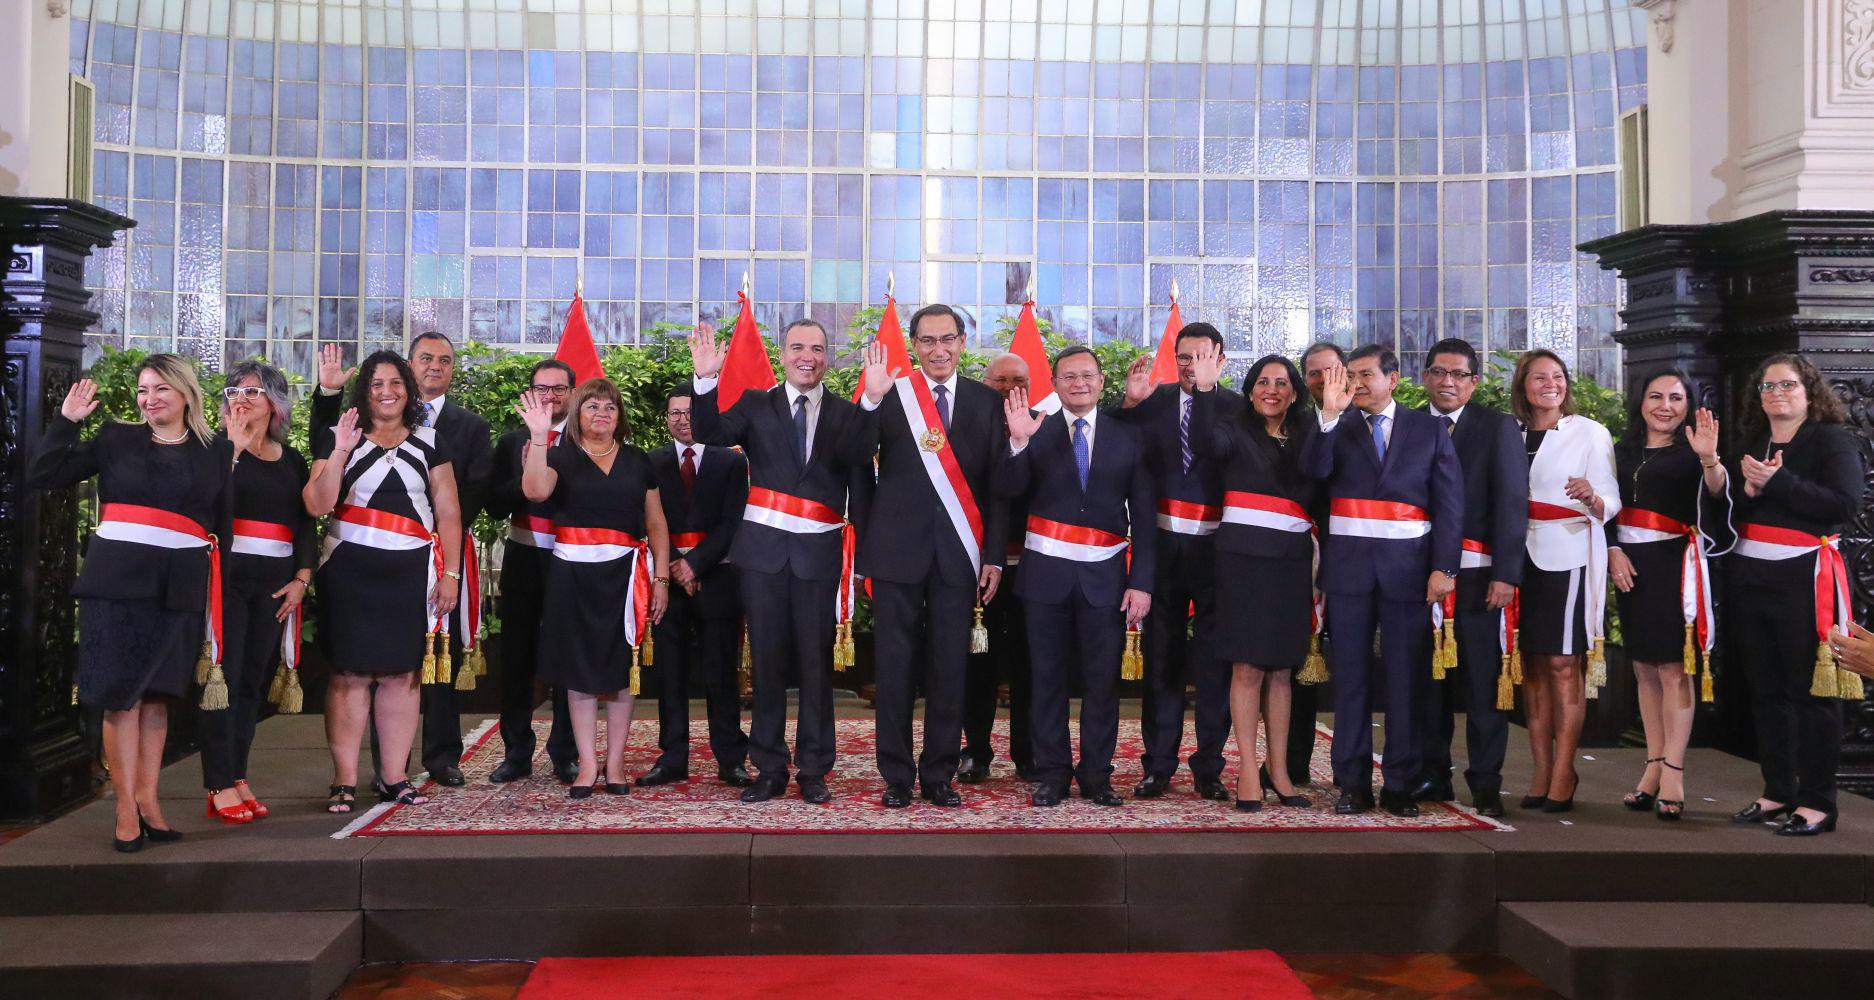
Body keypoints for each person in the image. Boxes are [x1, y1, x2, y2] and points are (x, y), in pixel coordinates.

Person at [29, 355, 227, 851]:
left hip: (179, 586)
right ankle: (123, 809)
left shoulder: (215, 450)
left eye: (161, 388)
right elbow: (44, 473)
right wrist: (66, 422)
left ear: (186, 394)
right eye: (143, 390)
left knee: (158, 697)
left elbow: (220, 521)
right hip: (117, 586)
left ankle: (149, 802)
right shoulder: (117, 438)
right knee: (123, 697)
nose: (150, 398)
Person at [687, 318, 874, 805]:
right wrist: (705, 380)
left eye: (816, 347)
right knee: (767, 666)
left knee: (816, 667)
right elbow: (709, 432)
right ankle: (769, 767)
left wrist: (873, 402)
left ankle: (814, 768)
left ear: (827, 356)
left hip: (818, 556)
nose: (806, 355)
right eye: (797, 347)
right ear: (783, 353)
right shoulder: (755, 404)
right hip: (763, 558)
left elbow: (862, 458)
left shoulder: (847, 413)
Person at [313, 335, 492, 787]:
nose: (387, 391)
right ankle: (345, 780)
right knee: (349, 677)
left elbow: (449, 510)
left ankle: (395, 778)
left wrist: (451, 574)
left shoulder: (432, 442)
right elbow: (317, 503)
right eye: (376, 384)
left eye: (395, 382)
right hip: (348, 573)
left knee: (402, 676)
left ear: (409, 390)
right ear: (364, 391)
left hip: (411, 576)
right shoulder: (338, 437)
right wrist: (338, 450)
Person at [849, 304, 1008, 807]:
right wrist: (869, 402)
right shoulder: (889, 396)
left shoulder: (987, 403)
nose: (938, 350)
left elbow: (998, 488)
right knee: (894, 668)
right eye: (927, 341)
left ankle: (939, 772)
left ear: (963, 342)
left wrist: (995, 556)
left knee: (949, 668)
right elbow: (853, 459)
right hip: (896, 554)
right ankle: (896, 775)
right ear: (914, 346)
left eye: (947, 339)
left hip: (960, 555)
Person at [1302, 344, 1462, 817]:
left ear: (1393, 379)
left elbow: (1450, 504)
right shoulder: (1334, 424)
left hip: (1410, 572)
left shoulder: (1429, 428)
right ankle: (1351, 783)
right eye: (1349, 375)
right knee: (1350, 680)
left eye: (1366, 375)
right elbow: (1313, 475)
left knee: (1404, 681)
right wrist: (1328, 419)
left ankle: (1399, 783)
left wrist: (1445, 567)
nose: (1356, 383)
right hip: (1349, 572)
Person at [1000, 346, 1156, 808]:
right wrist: (1017, 444)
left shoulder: (1128, 437)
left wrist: (1142, 580)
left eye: (1087, 375)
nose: (1079, 383)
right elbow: (1007, 493)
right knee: (1046, 681)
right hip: (1045, 578)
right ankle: (1051, 774)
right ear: (1055, 382)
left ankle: (1096, 775)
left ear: (1101, 380)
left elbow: (1144, 517)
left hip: (1106, 580)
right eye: (1068, 377)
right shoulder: (1035, 428)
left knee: (1101, 682)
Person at [1725, 353, 1864, 836]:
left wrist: (1778, 482)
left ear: (1809, 392)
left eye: (1787, 386)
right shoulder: (1752, 442)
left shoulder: (1830, 440)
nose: (1777, 394)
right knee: (1765, 691)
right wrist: (1745, 489)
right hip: (1750, 575)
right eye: (1768, 387)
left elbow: (1845, 505)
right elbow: (1733, 509)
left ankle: (1818, 802)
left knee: (1812, 690)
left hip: (1804, 575)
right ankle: (1778, 790)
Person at [520, 378, 670, 798]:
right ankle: (587, 765)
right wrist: (536, 437)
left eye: (609, 407)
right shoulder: (558, 456)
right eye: (592, 407)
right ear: (576, 415)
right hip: (572, 575)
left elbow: (656, 524)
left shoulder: (639, 460)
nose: (601, 414)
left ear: (619, 416)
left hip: (625, 577)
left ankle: (616, 763)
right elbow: (534, 492)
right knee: (579, 673)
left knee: (622, 672)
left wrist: (661, 580)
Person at [1114, 323, 1239, 802]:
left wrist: (1206, 392)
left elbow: (1218, 448)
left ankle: (1209, 766)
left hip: (1217, 552)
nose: (1190, 366)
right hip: (1161, 549)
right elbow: (1110, 445)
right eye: (1183, 357)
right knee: (1161, 665)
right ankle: (1157, 764)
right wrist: (1129, 404)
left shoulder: (1237, 406)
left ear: (1220, 359)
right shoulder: (1155, 401)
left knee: (1214, 667)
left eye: (1201, 357)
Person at [1189, 351, 1315, 811]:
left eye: (1281, 383)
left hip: (1290, 564)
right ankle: (1245, 769)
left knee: (1281, 669)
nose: (1271, 390)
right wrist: (1204, 391)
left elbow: (1321, 471)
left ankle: (1278, 771)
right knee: (1246, 667)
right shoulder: (1232, 427)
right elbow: (1206, 444)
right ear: (1249, 390)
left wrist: (1334, 415)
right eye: (1262, 381)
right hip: (1242, 563)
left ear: (1294, 392)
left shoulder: (1307, 433)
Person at [1411, 339, 1526, 818]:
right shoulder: (1411, 426)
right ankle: (1433, 775)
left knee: (1483, 688)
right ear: (1425, 378)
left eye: (1458, 374)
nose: (1447, 382)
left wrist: (1506, 574)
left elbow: (1512, 503)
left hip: (1481, 581)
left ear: (1474, 382)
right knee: (1428, 686)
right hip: (1419, 580)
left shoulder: (1496, 427)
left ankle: (1485, 783)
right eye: (1438, 372)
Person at [1607, 370, 1729, 821]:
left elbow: (1717, 497)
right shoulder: (1619, 450)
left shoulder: (1695, 451)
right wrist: (1612, 549)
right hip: (1629, 568)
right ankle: (1652, 766)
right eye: (1655, 396)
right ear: (1640, 402)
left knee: (1674, 669)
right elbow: (1606, 506)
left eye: (1675, 398)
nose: (1665, 405)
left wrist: (1711, 461)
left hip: (1674, 566)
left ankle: (1674, 769)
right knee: (1644, 669)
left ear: (1688, 404)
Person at [203, 360, 315, 825]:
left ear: (276, 403)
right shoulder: (213, 451)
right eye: (234, 392)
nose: (241, 400)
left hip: (274, 588)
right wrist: (231, 451)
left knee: (251, 682)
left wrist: (301, 578)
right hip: (225, 581)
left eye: (252, 392)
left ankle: (238, 772)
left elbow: (304, 522)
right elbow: (208, 506)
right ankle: (218, 782)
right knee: (220, 683)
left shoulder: (291, 460)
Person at [1513, 349, 1620, 814]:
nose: (1549, 384)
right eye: (1539, 378)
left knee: (1561, 664)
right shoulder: (1509, 432)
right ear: (1523, 386)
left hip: (1567, 552)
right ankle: (1540, 768)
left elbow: (1611, 498)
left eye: (1557, 377)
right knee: (1531, 667)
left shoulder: (1589, 433)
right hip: (1517, 558)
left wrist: (1592, 496)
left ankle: (1564, 770)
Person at [639, 387, 752, 789]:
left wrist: (695, 562)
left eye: (689, 412)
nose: (682, 420)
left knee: (720, 671)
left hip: (717, 574)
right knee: (670, 672)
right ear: (666, 419)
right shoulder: (650, 462)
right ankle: (672, 757)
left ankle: (730, 758)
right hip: (665, 579)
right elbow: (649, 522)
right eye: (674, 414)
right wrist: (671, 567)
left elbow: (732, 522)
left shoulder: (731, 461)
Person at [484, 359, 579, 785]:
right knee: (517, 659)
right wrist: (526, 473)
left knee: (568, 657)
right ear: (529, 393)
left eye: (559, 389)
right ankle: (516, 752)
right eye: (542, 388)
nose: (550, 396)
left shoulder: (584, 442)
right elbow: (495, 504)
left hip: (571, 561)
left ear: (572, 394)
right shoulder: (511, 442)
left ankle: (566, 753)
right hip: (524, 559)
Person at [961, 352, 1036, 781]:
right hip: (977, 568)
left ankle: (1028, 752)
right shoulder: (965, 427)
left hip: (1031, 567)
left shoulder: (1045, 425)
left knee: (1030, 663)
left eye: (1019, 381)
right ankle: (976, 750)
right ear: (983, 384)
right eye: (1000, 382)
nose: (1010, 389)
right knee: (978, 662)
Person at [1288, 340, 1346, 787]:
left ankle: (1353, 767)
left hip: (1356, 558)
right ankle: (1294, 765)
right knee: (1299, 663)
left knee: (1350, 667)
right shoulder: (1299, 424)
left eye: (1330, 371)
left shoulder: (1368, 420)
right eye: (1312, 373)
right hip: (1300, 557)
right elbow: (1311, 475)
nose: (1322, 381)